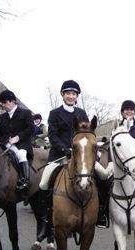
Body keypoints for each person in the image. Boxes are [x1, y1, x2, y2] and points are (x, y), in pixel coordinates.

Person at [38, 80, 111, 225]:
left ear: (77, 96)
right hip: (60, 155)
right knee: (44, 183)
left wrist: (88, 148)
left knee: (103, 176)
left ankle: (101, 212)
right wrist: (66, 149)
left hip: (83, 155)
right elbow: (52, 135)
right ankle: (47, 215)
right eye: (68, 93)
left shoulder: (81, 113)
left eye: (73, 94)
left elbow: (87, 133)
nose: (71, 96)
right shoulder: (54, 113)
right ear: (62, 95)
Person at [0, 89, 35, 192]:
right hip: (6, 144)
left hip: (22, 144)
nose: (3, 105)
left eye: (4, 102)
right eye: (2, 103)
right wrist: (0, 141)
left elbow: (31, 129)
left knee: (21, 154)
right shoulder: (2, 117)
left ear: (12, 101)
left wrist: (17, 137)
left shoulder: (25, 113)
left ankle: (24, 180)